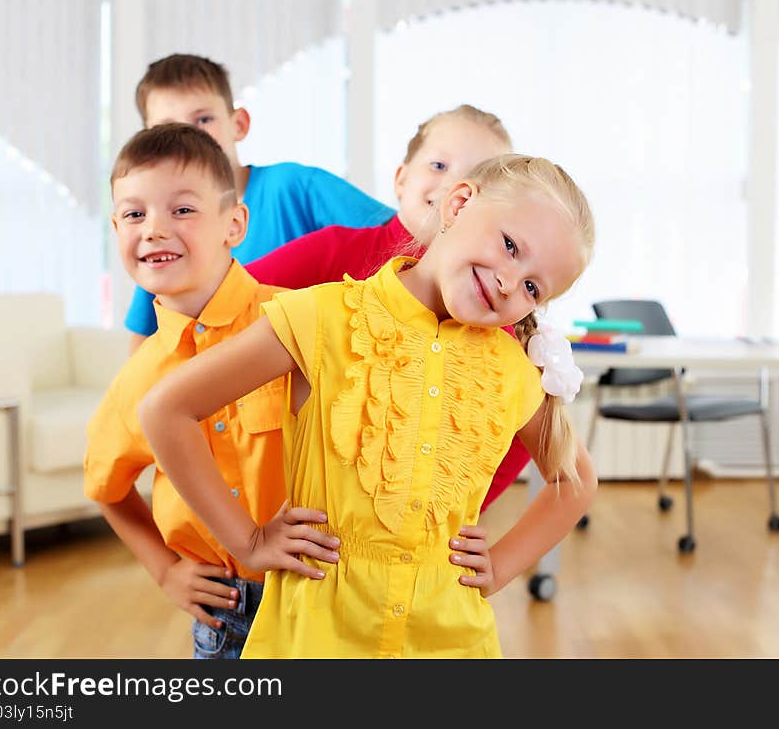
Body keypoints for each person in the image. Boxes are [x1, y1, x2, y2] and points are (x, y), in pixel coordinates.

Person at [139, 153, 599, 658]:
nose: (511, 282)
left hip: (451, 641)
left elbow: (573, 480)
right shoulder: (322, 316)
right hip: (317, 641)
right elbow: (166, 410)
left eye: (533, 286)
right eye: (510, 246)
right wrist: (247, 541)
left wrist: (504, 563)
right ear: (460, 204)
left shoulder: (511, 369)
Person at [83, 123, 341, 659]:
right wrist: (166, 570)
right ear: (115, 228)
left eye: (181, 210)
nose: (153, 229)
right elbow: (107, 488)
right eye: (134, 214)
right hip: (231, 614)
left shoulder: (298, 321)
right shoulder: (138, 377)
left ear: (234, 224)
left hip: (327, 590)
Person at [246, 105, 530, 512]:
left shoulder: (487, 312)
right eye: (439, 165)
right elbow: (230, 299)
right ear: (401, 178)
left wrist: (460, 512)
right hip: (291, 505)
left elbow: (522, 428)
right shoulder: (335, 251)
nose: (454, 184)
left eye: (476, 177)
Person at [125, 53, 394, 351]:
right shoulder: (161, 234)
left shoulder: (296, 186)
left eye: (203, 119)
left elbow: (399, 239)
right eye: (169, 131)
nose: (189, 138)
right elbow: (143, 348)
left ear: (238, 124)